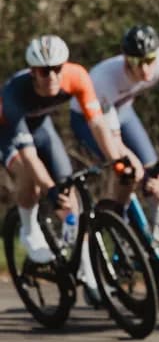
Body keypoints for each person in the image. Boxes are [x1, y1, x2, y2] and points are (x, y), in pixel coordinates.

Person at [0, 35, 117, 300]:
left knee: (70, 198)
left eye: (57, 68)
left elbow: (97, 123)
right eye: (44, 71)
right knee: (28, 176)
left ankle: (88, 273)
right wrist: (49, 190)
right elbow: (29, 156)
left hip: (41, 128)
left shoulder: (76, 76)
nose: (51, 75)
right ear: (33, 72)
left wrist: (115, 160)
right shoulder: (14, 93)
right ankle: (29, 231)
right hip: (7, 132)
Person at [70, 25, 159, 241]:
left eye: (149, 60)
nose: (145, 69)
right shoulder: (105, 78)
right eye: (137, 62)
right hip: (90, 120)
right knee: (129, 170)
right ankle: (120, 223)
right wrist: (132, 165)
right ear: (126, 59)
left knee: (155, 177)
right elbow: (114, 138)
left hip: (124, 112)